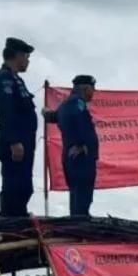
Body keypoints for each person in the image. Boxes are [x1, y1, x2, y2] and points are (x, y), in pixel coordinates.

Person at [0, 37, 38, 217]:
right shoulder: (3, 78)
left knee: (24, 186)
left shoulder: (15, 79)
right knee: (14, 186)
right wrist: (14, 141)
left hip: (25, 141)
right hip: (14, 143)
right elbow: (6, 111)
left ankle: (19, 217)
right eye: (26, 56)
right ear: (17, 55)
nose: (28, 61)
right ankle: (10, 221)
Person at [56, 75, 99, 216]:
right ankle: (80, 223)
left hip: (74, 156)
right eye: (92, 89)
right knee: (82, 196)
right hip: (80, 157)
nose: (93, 92)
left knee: (78, 195)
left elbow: (56, 117)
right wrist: (82, 144)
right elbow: (81, 125)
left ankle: (78, 220)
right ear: (86, 89)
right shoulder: (76, 104)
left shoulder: (67, 104)